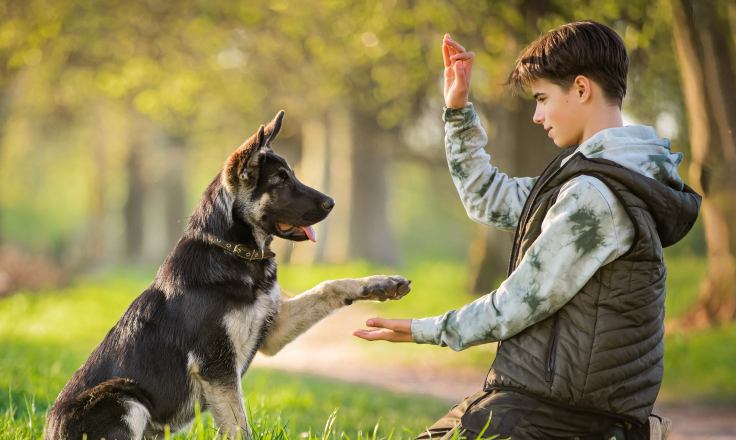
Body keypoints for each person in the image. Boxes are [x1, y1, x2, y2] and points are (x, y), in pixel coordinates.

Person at [352, 20, 701, 440]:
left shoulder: (597, 195)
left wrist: (425, 329)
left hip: (562, 416)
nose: (536, 116)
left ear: (581, 88)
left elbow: (520, 301)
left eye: (542, 98)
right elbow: (488, 198)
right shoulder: (591, 178)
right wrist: (459, 111)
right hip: (544, 402)